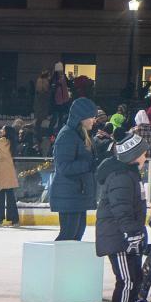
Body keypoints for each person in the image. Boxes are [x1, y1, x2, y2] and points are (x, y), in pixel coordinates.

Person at [95, 133, 151, 302]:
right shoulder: (121, 176)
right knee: (127, 280)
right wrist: (131, 233)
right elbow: (121, 208)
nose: (146, 157)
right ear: (134, 155)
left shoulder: (130, 174)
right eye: (144, 153)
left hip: (126, 235)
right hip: (117, 236)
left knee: (135, 279)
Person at [50, 97, 99, 241]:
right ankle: (57, 263)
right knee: (68, 235)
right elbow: (63, 166)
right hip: (69, 194)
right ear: (81, 118)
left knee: (76, 234)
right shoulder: (67, 135)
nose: (93, 120)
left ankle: (69, 263)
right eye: (91, 117)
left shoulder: (81, 134)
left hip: (78, 194)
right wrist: (89, 164)